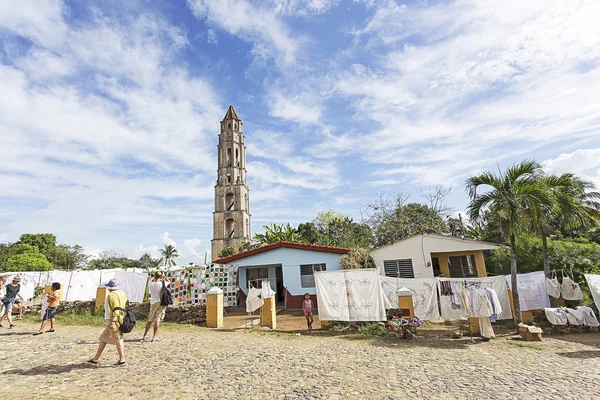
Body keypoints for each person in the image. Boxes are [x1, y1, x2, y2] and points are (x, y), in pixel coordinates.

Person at [88, 278, 128, 366]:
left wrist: (113, 321)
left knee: (118, 339)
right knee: (103, 338)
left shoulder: (112, 295)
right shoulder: (122, 293)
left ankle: (122, 360)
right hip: (120, 318)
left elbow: (116, 309)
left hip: (115, 320)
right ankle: (96, 358)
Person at [140, 271, 170, 343]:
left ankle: (144, 335)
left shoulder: (151, 284)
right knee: (158, 319)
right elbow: (169, 281)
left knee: (150, 319)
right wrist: (163, 276)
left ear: (154, 276)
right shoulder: (162, 283)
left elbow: (149, 280)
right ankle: (154, 337)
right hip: (161, 302)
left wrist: (154, 277)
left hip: (153, 302)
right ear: (160, 277)